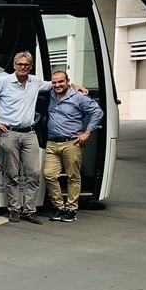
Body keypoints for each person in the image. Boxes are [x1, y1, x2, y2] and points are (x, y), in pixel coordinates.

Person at [0, 52, 55, 224]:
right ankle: (14, 209)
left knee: (34, 173)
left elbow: (55, 85)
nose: (23, 67)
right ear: (14, 65)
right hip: (9, 133)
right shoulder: (3, 82)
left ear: (30, 67)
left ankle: (29, 210)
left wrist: (75, 86)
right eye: (20, 64)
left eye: (27, 65)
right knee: (12, 174)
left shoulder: (35, 82)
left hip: (30, 133)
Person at [44, 70, 103, 223]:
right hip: (52, 142)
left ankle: (71, 209)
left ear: (68, 81)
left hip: (72, 143)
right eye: (54, 82)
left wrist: (87, 133)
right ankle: (59, 207)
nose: (57, 85)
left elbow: (97, 112)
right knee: (49, 175)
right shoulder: (52, 94)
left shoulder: (79, 97)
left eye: (61, 82)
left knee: (73, 177)